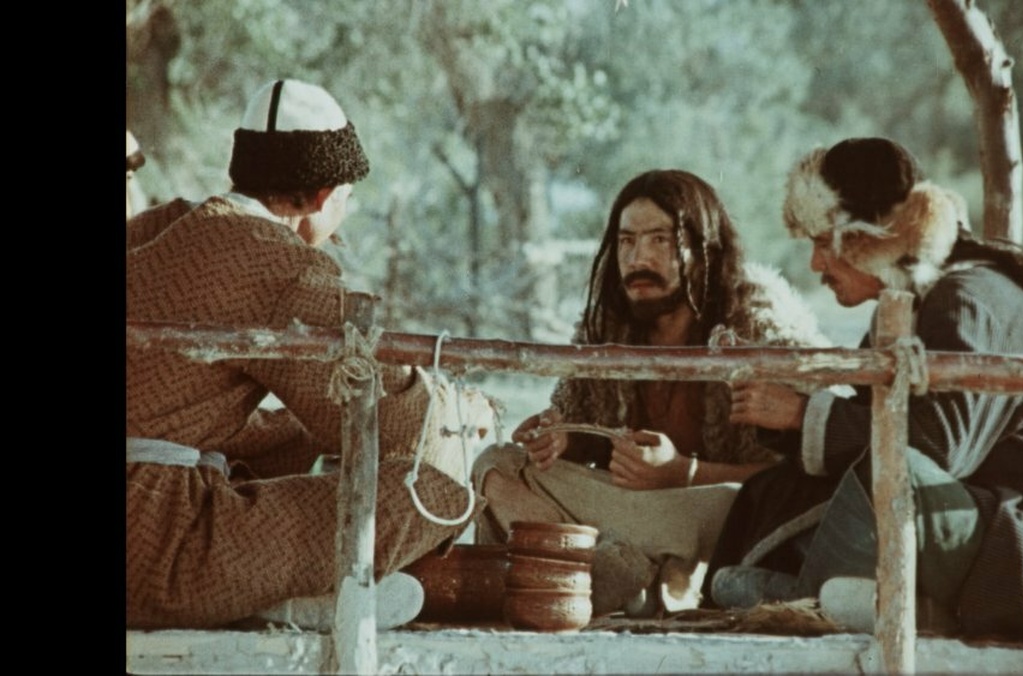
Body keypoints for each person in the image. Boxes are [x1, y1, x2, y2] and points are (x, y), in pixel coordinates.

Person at [126, 79, 482, 630]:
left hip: (145, 511)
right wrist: (456, 414)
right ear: (323, 195)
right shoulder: (281, 264)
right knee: (432, 493)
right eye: (345, 197)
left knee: (288, 437)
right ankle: (271, 599)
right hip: (155, 550)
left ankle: (265, 591)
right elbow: (395, 426)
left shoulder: (163, 225)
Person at [704, 137, 1023, 645]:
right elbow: (866, 424)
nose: (815, 265)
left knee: (893, 467)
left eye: (821, 241)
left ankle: (812, 605)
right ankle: (840, 599)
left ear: (868, 237)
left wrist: (802, 415)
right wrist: (791, 414)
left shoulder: (964, 297)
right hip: (978, 524)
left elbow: (935, 452)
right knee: (778, 489)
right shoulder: (911, 301)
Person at [471, 169, 841, 616]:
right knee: (499, 466)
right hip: (630, 509)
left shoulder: (760, 324)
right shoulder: (605, 326)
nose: (638, 257)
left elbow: (805, 483)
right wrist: (564, 439)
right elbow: (583, 423)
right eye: (626, 241)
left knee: (737, 502)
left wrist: (684, 473)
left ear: (703, 252)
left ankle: (595, 578)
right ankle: (614, 570)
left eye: (660, 240)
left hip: (718, 513)